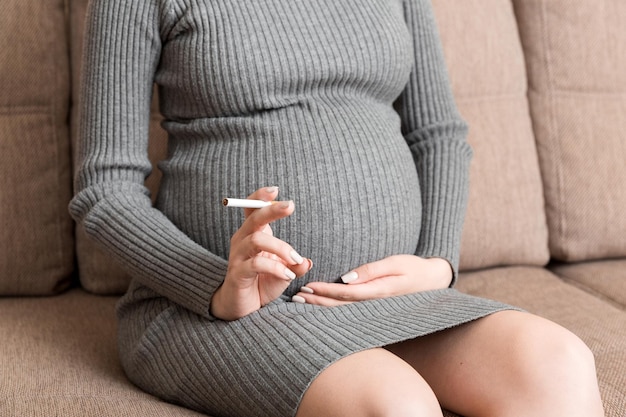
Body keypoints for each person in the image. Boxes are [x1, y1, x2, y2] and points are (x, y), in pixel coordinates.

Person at [70, 0, 605, 416]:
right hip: (220, 313)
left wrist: (436, 265)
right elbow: (104, 187)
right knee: (394, 404)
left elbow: (438, 134)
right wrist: (215, 285)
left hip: (388, 304)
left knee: (560, 365)